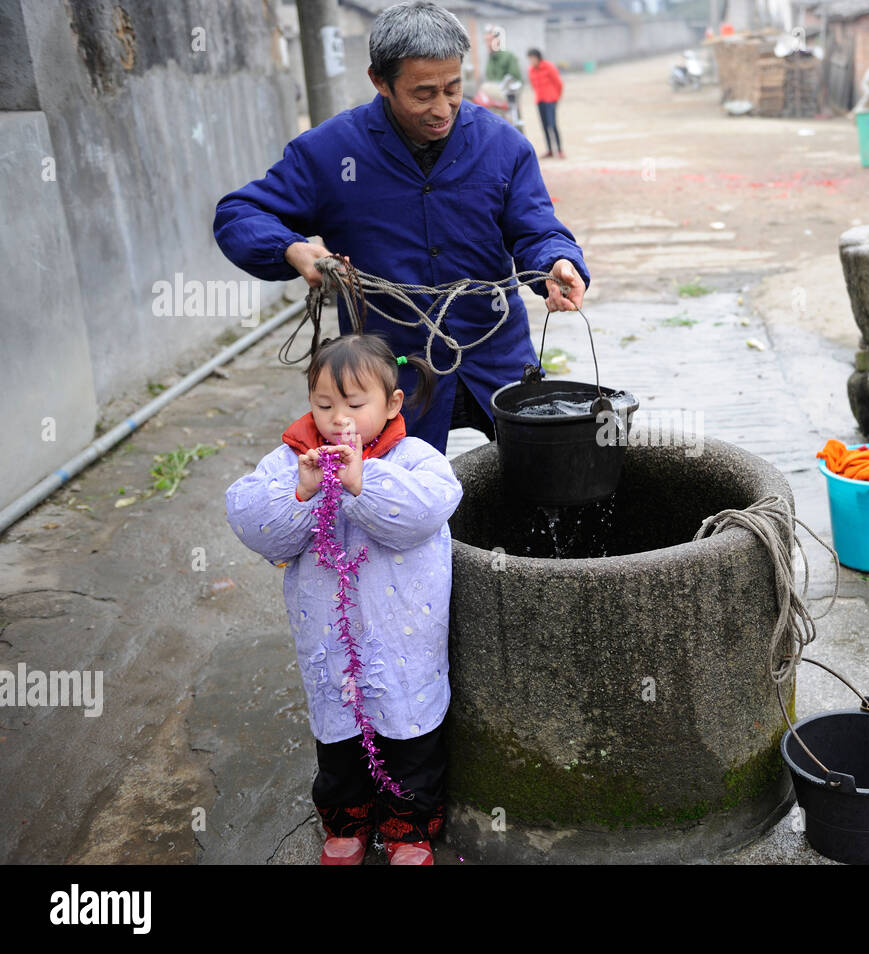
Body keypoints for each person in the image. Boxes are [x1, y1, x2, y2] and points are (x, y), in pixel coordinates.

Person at [213, 0, 589, 455]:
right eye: (423, 92)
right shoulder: (331, 153)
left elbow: (536, 227)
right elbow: (238, 214)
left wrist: (557, 261)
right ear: (380, 81)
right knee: (394, 508)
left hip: (495, 354)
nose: (443, 107)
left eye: (454, 87)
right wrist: (292, 249)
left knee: (540, 482)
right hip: (389, 372)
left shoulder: (501, 144)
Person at [225, 333, 464, 865]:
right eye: (324, 404)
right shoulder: (291, 461)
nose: (339, 419)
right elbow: (253, 522)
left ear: (392, 403)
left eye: (356, 405)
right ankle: (345, 820)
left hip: (403, 637)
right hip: (328, 638)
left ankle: (409, 829)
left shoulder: (415, 458)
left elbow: (426, 512)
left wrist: (362, 484)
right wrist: (301, 492)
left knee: (410, 737)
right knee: (338, 737)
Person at [527, 48, 564, 159]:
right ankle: (549, 150)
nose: (531, 61)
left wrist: (556, 97)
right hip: (540, 100)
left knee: (552, 125)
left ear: (538, 57)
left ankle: (559, 150)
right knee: (544, 126)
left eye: (533, 58)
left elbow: (558, 83)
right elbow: (533, 85)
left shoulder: (548, 67)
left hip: (551, 100)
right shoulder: (531, 70)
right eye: (530, 59)